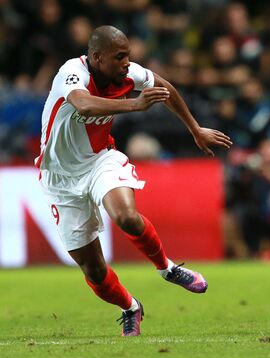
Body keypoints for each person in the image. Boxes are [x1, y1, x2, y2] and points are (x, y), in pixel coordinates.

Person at [35, 25, 232, 336]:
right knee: (95, 271)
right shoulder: (71, 72)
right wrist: (135, 105)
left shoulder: (129, 74)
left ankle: (168, 268)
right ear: (97, 58)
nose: (128, 62)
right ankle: (131, 307)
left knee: (126, 217)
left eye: (129, 56)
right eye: (120, 57)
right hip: (59, 178)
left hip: (101, 160)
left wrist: (195, 129)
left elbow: (165, 88)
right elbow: (83, 104)